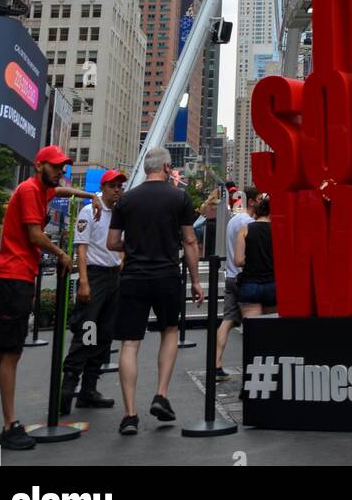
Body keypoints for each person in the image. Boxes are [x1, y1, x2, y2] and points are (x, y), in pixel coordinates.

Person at [0, 146, 103, 451]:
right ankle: (10, 424)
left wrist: (89, 195)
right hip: (14, 279)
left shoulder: (44, 190)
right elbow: (35, 235)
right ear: (39, 166)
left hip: (17, 278)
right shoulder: (29, 191)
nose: (59, 172)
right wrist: (62, 254)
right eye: (54, 167)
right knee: (10, 354)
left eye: (62, 167)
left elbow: (63, 188)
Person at [106, 147, 203, 436]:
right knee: (169, 331)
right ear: (165, 166)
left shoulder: (126, 200)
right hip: (166, 276)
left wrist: (134, 246)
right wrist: (196, 280)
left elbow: (112, 243)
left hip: (133, 276)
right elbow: (189, 241)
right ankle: (161, 394)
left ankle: (130, 415)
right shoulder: (179, 197)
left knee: (130, 344)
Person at [60, 169, 127, 414]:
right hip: (95, 276)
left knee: (105, 334)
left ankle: (89, 389)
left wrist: (122, 258)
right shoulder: (90, 211)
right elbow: (82, 249)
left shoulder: (121, 212)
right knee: (86, 331)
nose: (118, 189)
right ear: (104, 187)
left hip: (113, 277)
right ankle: (68, 389)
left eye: (120, 185)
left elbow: (122, 242)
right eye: (113, 185)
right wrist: (85, 282)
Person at [216, 185, 259, 379]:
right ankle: (253, 367)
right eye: (258, 199)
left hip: (231, 277)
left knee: (227, 321)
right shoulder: (249, 223)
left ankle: (216, 364)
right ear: (251, 201)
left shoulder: (233, 221)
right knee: (252, 324)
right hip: (245, 278)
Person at [233, 195, 275, 318]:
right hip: (272, 284)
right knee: (272, 328)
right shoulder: (277, 230)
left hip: (249, 284)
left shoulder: (245, 230)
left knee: (252, 330)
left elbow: (238, 260)